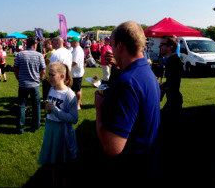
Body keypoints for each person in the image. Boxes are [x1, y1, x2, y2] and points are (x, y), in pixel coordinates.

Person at [93, 22, 161, 180]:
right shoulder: (145, 71)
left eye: (112, 46)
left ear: (121, 46)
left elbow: (113, 147)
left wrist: (99, 107)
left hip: (132, 169)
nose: (111, 50)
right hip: (149, 162)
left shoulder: (127, 82)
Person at [38, 62, 79, 186]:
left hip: (62, 132)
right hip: (51, 129)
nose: (48, 77)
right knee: (53, 163)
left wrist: (55, 110)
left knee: (63, 165)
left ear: (62, 76)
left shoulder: (69, 95)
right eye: (48, 74)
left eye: (52, 75)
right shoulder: (52, 89)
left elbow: (74, 118)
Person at [13, 38, 46, 134]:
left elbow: (15, 68)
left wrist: (18, 78)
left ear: (26, 44)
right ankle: (35, 126)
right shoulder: (39, 55)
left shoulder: (20, 54)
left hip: (23, 84)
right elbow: (43, 70)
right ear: (34, 45)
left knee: (21, 105)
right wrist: (40, 80)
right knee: (36, 106)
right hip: (35, 84)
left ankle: (20, 127)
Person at [158, 36, 183, 120]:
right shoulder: (171, 60)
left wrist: (160, 86)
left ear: (170, 47)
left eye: (162, 44)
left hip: (174, 101)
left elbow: (172, 83)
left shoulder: (173, 61)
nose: (159, 47)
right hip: (172, 100)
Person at [69, 37, 86, 109]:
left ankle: (78, 104)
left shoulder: (77, 50)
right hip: (76, 72)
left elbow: (74, 62)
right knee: (77, 89)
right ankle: (79, 102)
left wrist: (67, 67)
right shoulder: (76, 49)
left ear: (75, 42)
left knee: (77, 90)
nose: (70, 43)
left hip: (76, 73)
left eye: (71, 42)